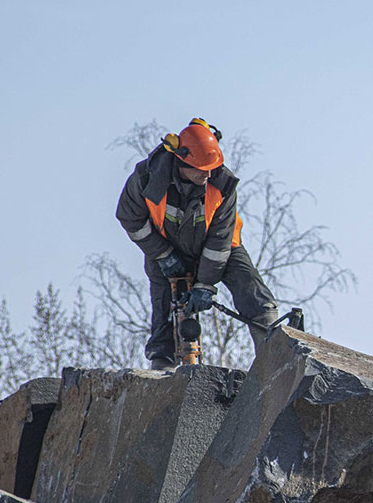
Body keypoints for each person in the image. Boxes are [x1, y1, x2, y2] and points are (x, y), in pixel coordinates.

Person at [116, 118, 279, 369]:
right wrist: (163, 254)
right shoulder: (148, 178)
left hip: (221, 249)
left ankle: (275, 354)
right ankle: (162, 370)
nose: (208, 174)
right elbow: (130, 217)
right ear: (182, 162)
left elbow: (219, 241)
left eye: (211, 168)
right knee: (164, 308)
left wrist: (205, 284)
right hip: (166, 248)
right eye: (202, 169)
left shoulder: (223, 184)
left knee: (251, 289)